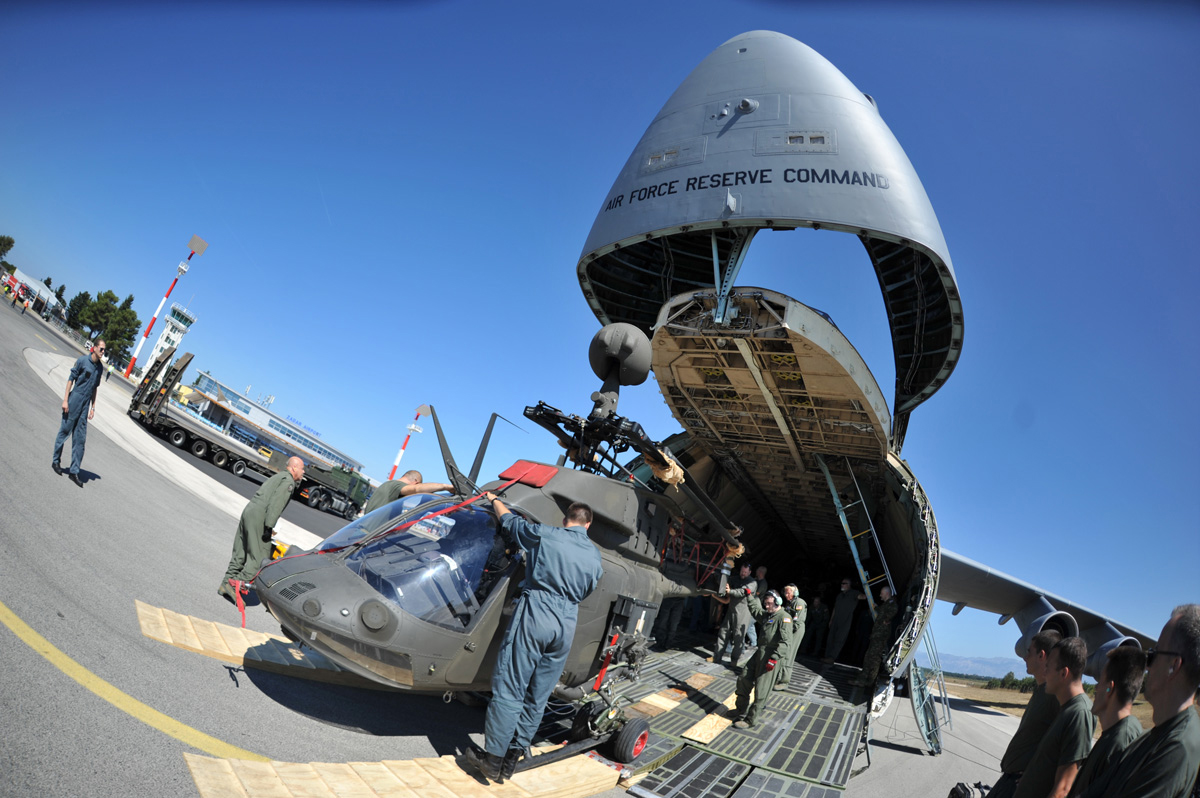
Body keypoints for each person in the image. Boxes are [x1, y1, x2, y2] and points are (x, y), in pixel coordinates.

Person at [466, 494, 604, 783]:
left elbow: (510, 522)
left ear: (566, 520)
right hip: (567, 622)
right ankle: (511, 761)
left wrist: (494, 500)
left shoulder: (548, 535)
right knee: (538, 695)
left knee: (511, 687)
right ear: (588, 525)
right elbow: (590, 587)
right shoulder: (594, 555)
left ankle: (492, 759)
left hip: (537, 612)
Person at [1079, 604, 1200, 798]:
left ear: (1173, 666)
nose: (1147, 666)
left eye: (1153, 655)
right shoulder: (1154, 736)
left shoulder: (1177, 747)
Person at [1014, 637, 1095, 798]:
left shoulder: (1079, 713)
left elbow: (1062, 789)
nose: (1044, 673)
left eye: (1048, 668)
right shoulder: (1068, 709)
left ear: (1064, 673)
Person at [218, 456, 305, 602]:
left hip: (249, 511)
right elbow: (276, 505)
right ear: (294, 467)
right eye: (302, 469)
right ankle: (233, 585)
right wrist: (269, 527)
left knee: (241, 551)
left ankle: (226, 582)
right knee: (260, 558)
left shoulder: (278, 476)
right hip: (260, 517)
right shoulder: (288, 482)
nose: (303, 473)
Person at [989, 630, 1063, 798]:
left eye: (1029, 652)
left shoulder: (1053, 696)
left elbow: (1061, 745)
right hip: (1010, 780)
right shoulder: (1041, 690)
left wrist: (1036, 780)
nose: (1025, 657)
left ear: (1041, 655)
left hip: (1022, 785)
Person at [1069, 646, 1145, 796]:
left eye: (1100, 682)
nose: (1096, 687)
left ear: (1109, 688)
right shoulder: (1117, 733)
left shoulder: (1120, 740)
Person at [732, 589, 794, 728]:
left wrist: (774, 658)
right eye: (765, 603)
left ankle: (750, 720)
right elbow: (755, 610)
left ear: (777, 602)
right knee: (743, 678)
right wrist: (749, 596)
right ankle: (740, 709)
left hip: (771, 656)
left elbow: (786, 642)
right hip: (760, 653)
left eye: (769, 603)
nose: (766, 606)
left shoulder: (784, 618)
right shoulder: (768, 615)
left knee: (762, 689)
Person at [51, 340, 105, 488]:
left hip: (85, 405)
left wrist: (93, 407)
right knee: (64, 431)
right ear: (94, 348)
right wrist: (65, 400)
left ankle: (74, 471)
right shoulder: (82, 361)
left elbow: (94, 388)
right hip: (74, 399)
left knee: (80, 439)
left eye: (104, 350)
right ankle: (56, 461)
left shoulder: (100, 368)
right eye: (101, 349)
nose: (103, 352)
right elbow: (70, 380)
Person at [710, 563, 757, 667]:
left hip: (743, 613)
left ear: (749, 572)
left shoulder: (752, 582)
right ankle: (717, 657)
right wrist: (717, 576)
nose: (743, 573)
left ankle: (734, 661)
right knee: (723, 632)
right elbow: (726, 582)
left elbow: (742, 592)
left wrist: (730, 591)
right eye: (742, 571)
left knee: (738, 637)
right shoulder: (735, 578)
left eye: (745, 572)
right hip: (731, 610)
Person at [851, 585, 899, 688]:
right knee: (869, 656)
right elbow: (882, 612)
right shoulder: (886, 605)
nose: (880, 595)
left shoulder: (891, 604)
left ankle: (868, 680)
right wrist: (876, 608)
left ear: (887, 594)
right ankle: (864, 677)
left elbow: (891, 612)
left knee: (874, 658)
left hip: (880, 636)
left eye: (882, 593)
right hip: (876, 634)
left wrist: (887, 619)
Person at [361, 469, 454, 514]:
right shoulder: (396, 486)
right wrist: (446, 487)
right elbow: (415, 489)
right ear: (416, 482)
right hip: (369, 535)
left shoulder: (388, 486)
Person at [824, 577, 865, 663]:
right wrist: (831, 619)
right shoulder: (840, 595)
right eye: (842, 583)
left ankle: (832, 657)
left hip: (845, 620)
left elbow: (862, 597)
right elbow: (835, 608)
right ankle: (827, 656)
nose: (842, 585)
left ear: (849, 585)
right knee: (830, 638)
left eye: (844, 583)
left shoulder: (853, 593)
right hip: (835, 620)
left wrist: (865, 591)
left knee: (840, 639)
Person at [775, 583, 806, 686]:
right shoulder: (789, 603)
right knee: (784, 653)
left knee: (789, 654)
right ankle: (779, 677)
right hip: (789, 630)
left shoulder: (799, 603)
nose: (787, 595)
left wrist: (787, 631)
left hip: (795, 631)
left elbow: (797, 622)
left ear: (795, 592)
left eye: (789, 593)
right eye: (785, 593)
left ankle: (784, 681)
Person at [747, 565, 769, 648]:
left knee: (748, 624)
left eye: (757, 570)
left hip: (757, 606)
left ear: (760, 572)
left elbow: (756, 594)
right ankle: (753, 642)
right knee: (750, 625)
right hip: (752, 605)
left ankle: (753, 643)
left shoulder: (763, 583)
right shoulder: (756, 580)